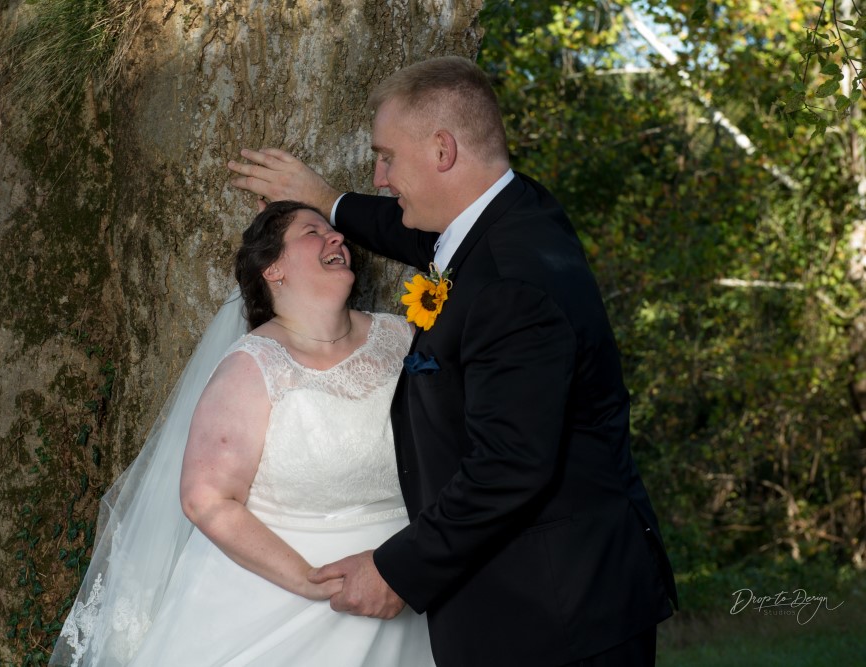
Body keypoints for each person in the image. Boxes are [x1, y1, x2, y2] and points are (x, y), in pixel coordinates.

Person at [227, 56, 678, 667]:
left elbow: (511, 464)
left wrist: (397, 572)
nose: (382, 178)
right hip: (544, 598)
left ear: (442, 150)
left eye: (388, 157)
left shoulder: (513, 287)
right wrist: (326, 202)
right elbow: (420, 235)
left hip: (558, 616)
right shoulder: (517, 214)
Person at [50, 201, 435, 666]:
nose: (337, 239)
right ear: (273, 269)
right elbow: (205, 499)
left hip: (412, 581)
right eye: (314, 232)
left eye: (336, 233)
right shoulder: (252, 366)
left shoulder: (402, 337)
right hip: (284, 603)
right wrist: (312, 581)